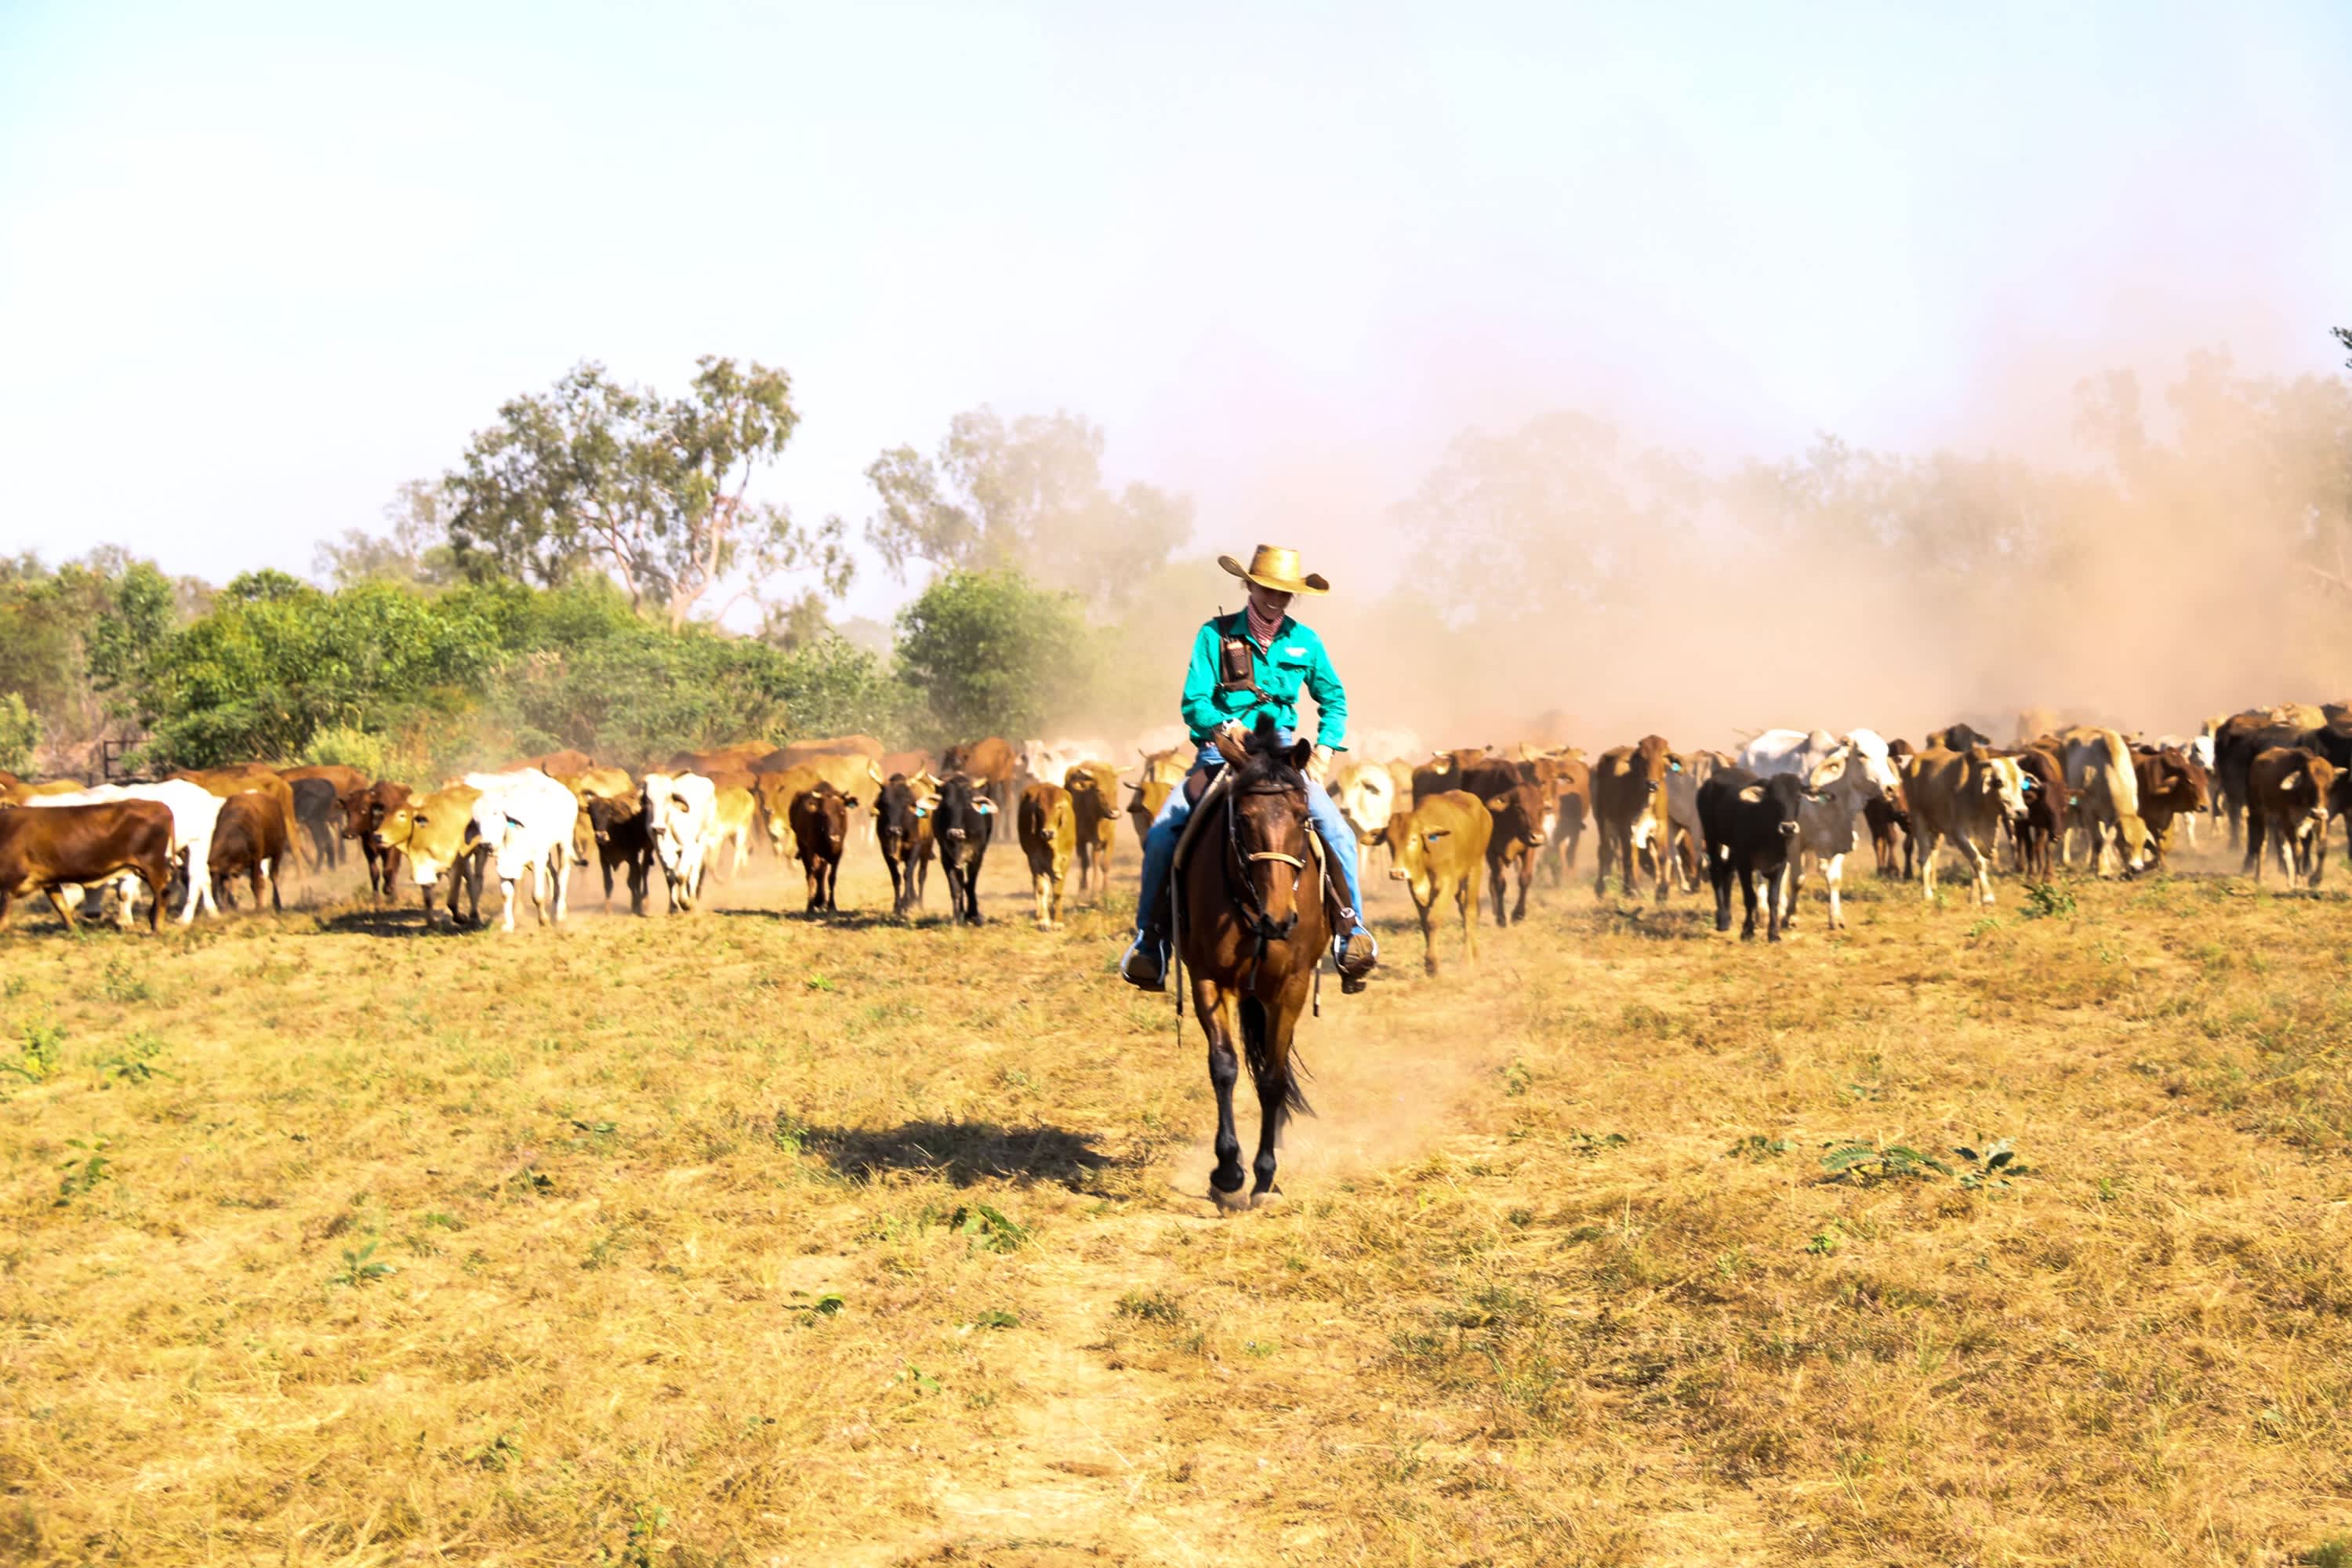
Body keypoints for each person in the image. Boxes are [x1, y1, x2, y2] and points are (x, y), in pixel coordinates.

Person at [1120, 544, 1378, 993]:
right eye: (1267, 588)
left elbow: (1333, 700)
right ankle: (1151, 941)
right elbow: (1193, 702)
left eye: (1284, 592)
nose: (1275, 598)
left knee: (1336, 831)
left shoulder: (1306, 642)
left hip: (1281, 756)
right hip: (1223, 753)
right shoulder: (1214, 635)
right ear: (1249, 585)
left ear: (1293, 595)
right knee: (1164, 830)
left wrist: (1324, 750)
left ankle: (1350, 932)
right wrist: (1224, 725)